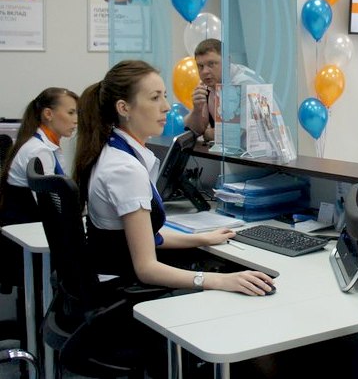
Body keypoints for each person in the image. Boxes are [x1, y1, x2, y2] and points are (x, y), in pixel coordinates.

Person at [74, 60, 274, 295]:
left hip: (115, 278)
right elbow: (147, 269)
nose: (166, 107)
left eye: (165, 96)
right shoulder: (125, 170)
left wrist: (202, 239)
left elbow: (148, 238)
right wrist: (220, 280)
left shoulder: (115, 152)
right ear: (124, 108)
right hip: (120, 289)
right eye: (155, 98)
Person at [0, 87, 78, 225]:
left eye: (77, 113)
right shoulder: (39, 150)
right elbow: (51, 205)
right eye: (71, 113)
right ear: (48, 114)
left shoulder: (43, 144)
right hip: (25, 227)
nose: (76, 120)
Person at [184, 38, 262, 141]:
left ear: (227, 61)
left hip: (263, 150)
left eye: (211, 64)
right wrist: (197, 110)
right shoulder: (208, 85)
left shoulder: (246, 83)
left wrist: (208, 134)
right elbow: (196, 130)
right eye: (200, 66)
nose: (205, 71)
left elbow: (237, 134)